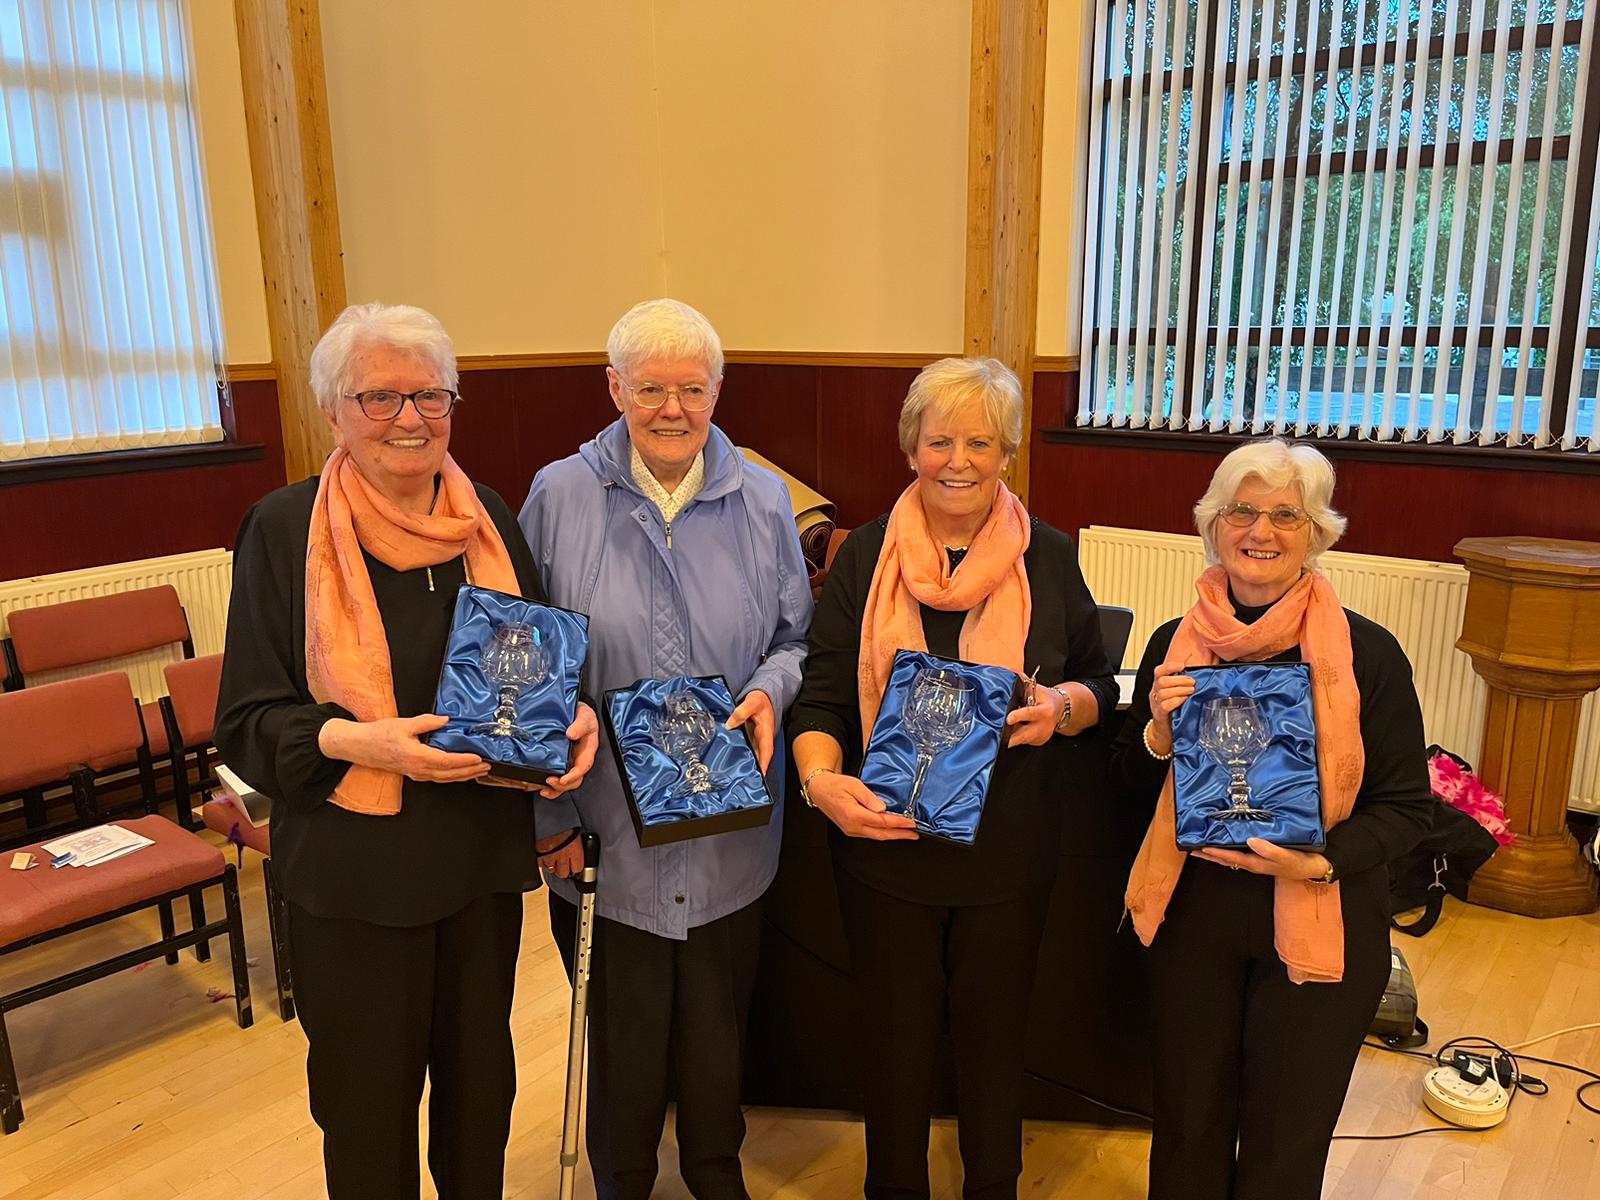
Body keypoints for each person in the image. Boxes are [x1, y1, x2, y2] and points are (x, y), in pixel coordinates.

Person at [214, 302, 598, 1200]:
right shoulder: (282, 529)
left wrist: (567, 719)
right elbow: (248, 724)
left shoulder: (488, 520)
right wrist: (369, 744)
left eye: (430, 395)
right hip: (354, 877)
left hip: (475, 865)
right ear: (333, 412)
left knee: (479, 1102)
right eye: (380, 397)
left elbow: (534, 671)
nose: (410, 419)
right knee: (366, 1112)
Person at [788, 356, 1117, 1200]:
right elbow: (824, 688)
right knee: (892, 1048)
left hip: (1006, 855)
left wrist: (1065, 708)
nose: (959, 460)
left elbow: (1098, 679)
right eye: (941, 440)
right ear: (912, 449)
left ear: (1007, 452)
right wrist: (823, 785)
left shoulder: (1047, 555)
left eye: (980, 442)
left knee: (995, 1048)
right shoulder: (865, 555)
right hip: (883, 848)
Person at [517, 297, 813, 1200]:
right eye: (650, 388)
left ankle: (718, 1175)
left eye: (692, 387)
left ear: (719, 390)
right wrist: (550, 817)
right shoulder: (557, 496)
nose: (673, 408)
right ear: (615, 389)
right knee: (625, 1044)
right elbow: (525, 671)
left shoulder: (764, 498)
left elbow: (797, 642)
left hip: (731, 834)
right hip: (606, 839)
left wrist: (771, 690)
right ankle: (624, 1183)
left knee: (720, 1043)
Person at [1111, 437, 1433, 1200]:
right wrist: (1156, 731)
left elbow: (1408, 809)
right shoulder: (1172, 646)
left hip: (1319, 914)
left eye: (1286, 515)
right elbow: (1124, 787)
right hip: (1192, 917)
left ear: (1317, 533)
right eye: (1242, 512)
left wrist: (1316, 860)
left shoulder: (1366, 654)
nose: (1261, 531)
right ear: (1213, 527)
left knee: (1285, 1142)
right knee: (1187, 1126)